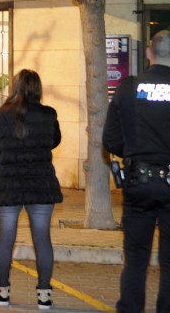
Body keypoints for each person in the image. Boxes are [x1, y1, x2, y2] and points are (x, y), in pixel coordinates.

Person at [103, 29, 170, 313]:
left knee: (135, 259)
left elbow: (110, 140)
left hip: (137, 181)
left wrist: (132, 151)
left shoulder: (128, 87)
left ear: (148, 53)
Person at [0, 69, 62, 310]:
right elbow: (54, 140)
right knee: (42, 239)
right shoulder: (49, 115)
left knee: (6, 239)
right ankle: (45, 296)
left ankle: (2, 292)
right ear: (38, 89)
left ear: (15, 88)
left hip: (9, 185)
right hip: (41, 184)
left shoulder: (1, 115)